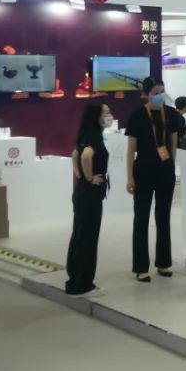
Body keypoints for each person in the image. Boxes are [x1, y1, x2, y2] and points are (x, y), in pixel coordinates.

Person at [126, 77, 178, 282]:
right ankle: (141, 267)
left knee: (163, 218)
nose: (160, 96)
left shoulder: (171, 114)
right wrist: (129, 176)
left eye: (162, 91)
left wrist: (171, 166)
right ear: (146, 94)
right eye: (155, 93)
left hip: (165, 172)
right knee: (141, 219)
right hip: (143, 172)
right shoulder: (137, 116)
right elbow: (131, 149)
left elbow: (173, 143)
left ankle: (164, 263)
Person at [65, 102, 111, 295]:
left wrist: (80, 176)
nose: (109, 116)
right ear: (97, 116)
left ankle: (75, 277)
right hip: (90, 194)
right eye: (106, 112)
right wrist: (90, 178)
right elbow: (85, 156)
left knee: (80, 234)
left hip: (82, 192)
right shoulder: (94, 137)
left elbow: (74, 155)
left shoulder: (86, 134)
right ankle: (83, 282)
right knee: (88, 237)